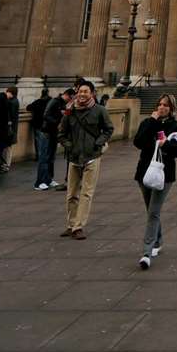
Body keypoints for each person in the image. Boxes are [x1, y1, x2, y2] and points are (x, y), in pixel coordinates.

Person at [132, 94, 177, 269]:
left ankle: (146, 252)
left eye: (165, 105)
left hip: (164, 175)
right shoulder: (148, 123)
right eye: (159, 104)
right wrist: (151, 121)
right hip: (144, 173)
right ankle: (157, 241)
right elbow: (138, 142)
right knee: (151, 209)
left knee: (153, 212)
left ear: (171, 108)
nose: (161, 107)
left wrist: (166, 144)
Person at [58, 79, 113, 239]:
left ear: (92, 93)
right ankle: (70, 224)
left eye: (85, 91)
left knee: (86, 193)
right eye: (80, 91)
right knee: (71, 194)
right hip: (74, 157)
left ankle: (78, 226)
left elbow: (108, 129)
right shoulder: (69, 111)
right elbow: (61, 133)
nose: (82, 94)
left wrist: (98, 143)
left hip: (92, 156)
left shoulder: (100, 110)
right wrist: (69, 145)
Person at [29, 88, 59, 189]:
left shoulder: (38, 102)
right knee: (46, 155)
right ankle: (43, 181)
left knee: (46, 154)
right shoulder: (52, 103)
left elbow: (29, 107)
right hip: (45, 129)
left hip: (40, 127)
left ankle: (47, 179)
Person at [0, 86, 20, 172]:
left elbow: (9, 116)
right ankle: (5, 165)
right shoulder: (15, 101)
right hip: (12, 130)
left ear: (11, 92)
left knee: (7, 149)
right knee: (8, 148)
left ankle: (5, 166)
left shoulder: (11, 102)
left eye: (7, 92)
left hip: (9, 130)